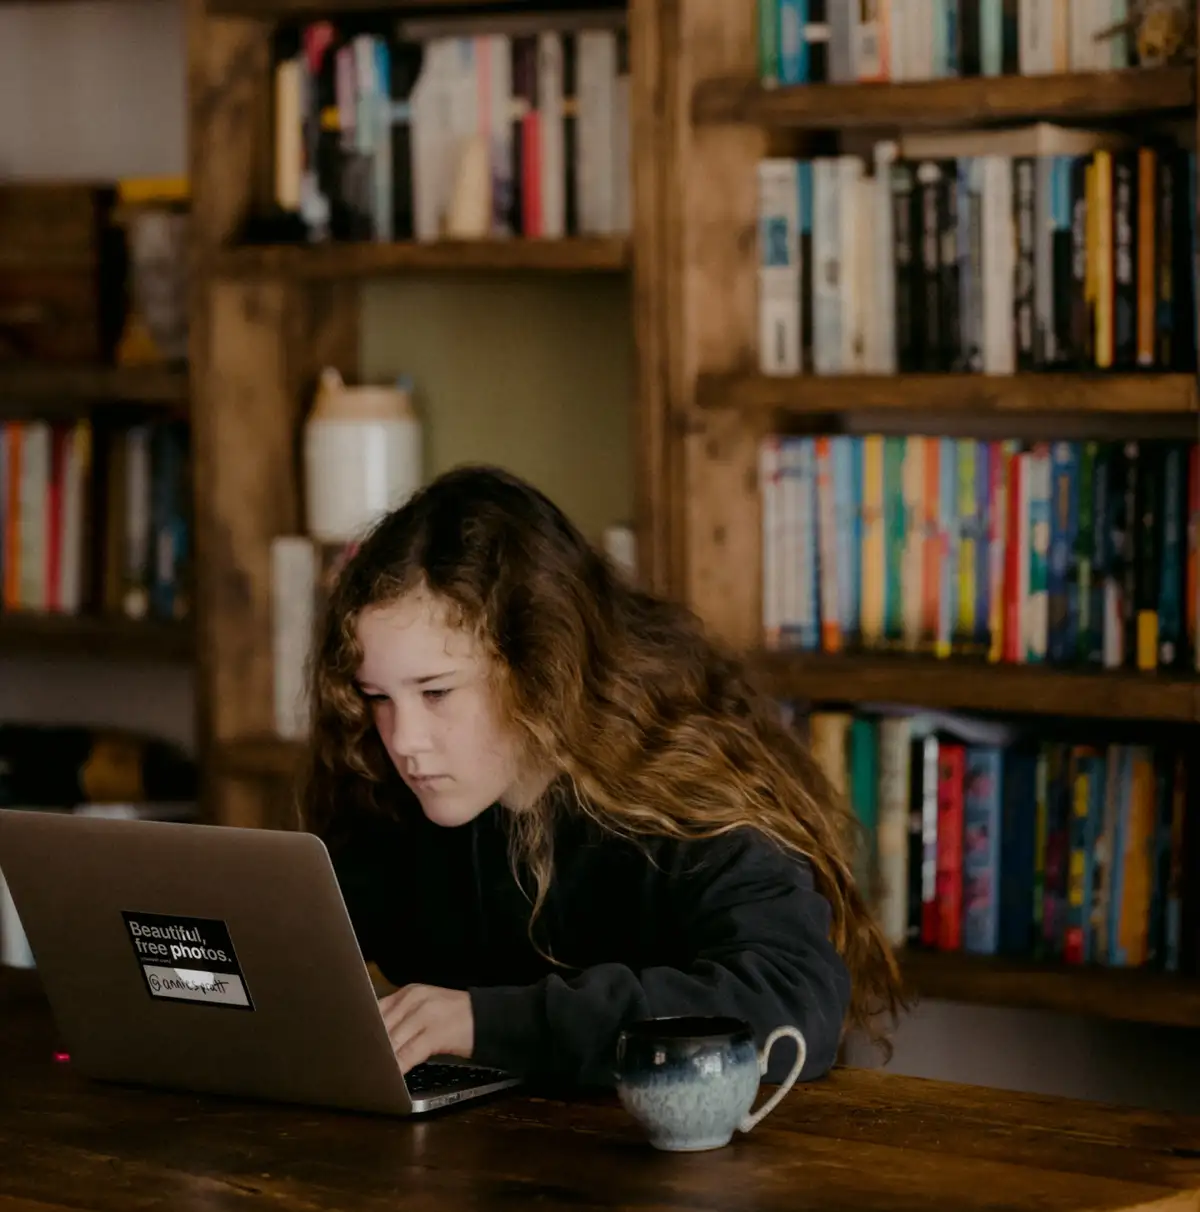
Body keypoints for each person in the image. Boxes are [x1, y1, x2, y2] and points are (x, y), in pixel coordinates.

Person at [299, 464, 903, 1090]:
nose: (404, 740)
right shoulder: (386, 788)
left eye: (437, 692)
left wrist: (484, 1023)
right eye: (378, 696)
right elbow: (299, 955)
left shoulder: (682, 784)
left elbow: (791, 1004)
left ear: (538, 665)